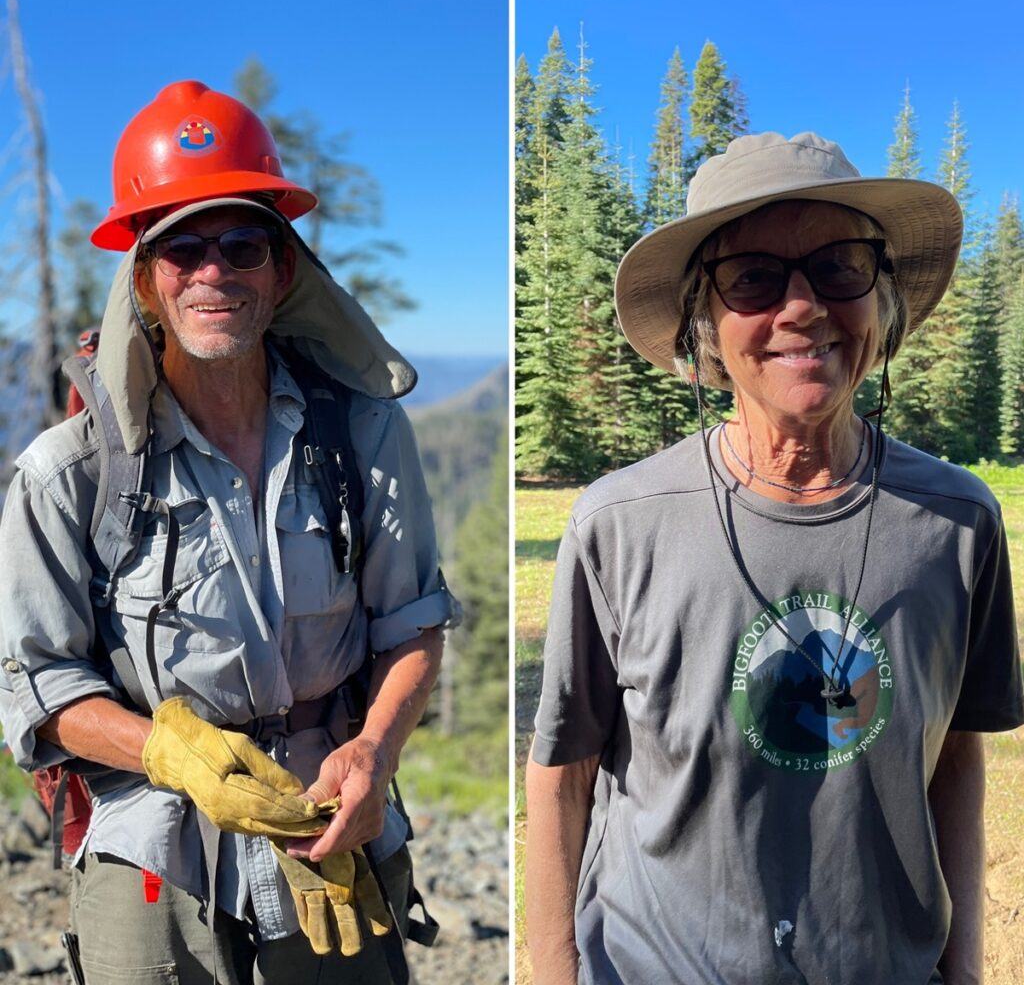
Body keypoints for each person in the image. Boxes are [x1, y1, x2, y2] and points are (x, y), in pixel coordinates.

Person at [525, 131, 1024, 985]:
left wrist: (966, 971)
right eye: (753, 277)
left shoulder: (956, 522)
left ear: (884, 301)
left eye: (839, 267)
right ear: (704, 326)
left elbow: (953, 759)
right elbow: (563, 774)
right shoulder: (620, 523)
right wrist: (555, 972)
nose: (802, 307)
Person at [0, 80, 457, 984]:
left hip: (331, 820)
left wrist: (374, 752)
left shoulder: (361, 431)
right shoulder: (70, 472)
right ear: (144, 278)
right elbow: (37, 683)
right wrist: (169, 753)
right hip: (151, 846)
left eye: (243, 244)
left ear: (281, 270)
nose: (214, 272)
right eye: (182, 248)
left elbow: (414, 624)